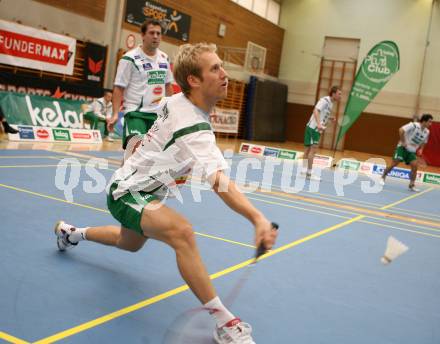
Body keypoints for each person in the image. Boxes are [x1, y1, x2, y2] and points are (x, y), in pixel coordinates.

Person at [54, 43, 278, 344]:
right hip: (128, 193)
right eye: (215, 68)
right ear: (193, 81)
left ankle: (71, 233)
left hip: (142, 191)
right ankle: (225, 322)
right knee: (182, 232)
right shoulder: (192, 124)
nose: (225, 74)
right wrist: (257, 219)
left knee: (128, 243)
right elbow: (219, 181)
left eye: (222, 66)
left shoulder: (180, 102)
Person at [108, 18, 174, 148]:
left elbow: (168, 86)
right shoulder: (129, 58)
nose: (155, 36)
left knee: (148, 158)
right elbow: (119, 87)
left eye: (158, 33)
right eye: (151, 33)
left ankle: (126, 168)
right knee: (136, 150)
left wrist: (171, 110)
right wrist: (115, 113)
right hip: (135, 114)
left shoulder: (164, 58)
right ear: (143, 35)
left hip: (157, 116)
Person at [380, 113, 433, 192]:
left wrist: (421, 149)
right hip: (402, 148)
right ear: (424, 121)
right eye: (429, 122)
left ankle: (411, 185)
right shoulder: (413, 125)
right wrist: (403, 141)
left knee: (415, 167)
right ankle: (383, 176)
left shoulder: (427, 132)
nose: (430, 124)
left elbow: (424, 142)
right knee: (394, 163)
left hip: (411, 151)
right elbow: (401, 130)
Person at [302, 86, 342, 180]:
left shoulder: (331, 103)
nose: (340, 96)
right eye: (339, 94)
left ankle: (304, 171)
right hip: (314, 128)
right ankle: (309, 174)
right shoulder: (325, 100)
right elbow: (315, 110)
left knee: (307, 150)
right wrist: (319, 124)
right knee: (313, 150)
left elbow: (322, 114)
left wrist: (329, 118)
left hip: (313, 127)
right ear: (333, 94)